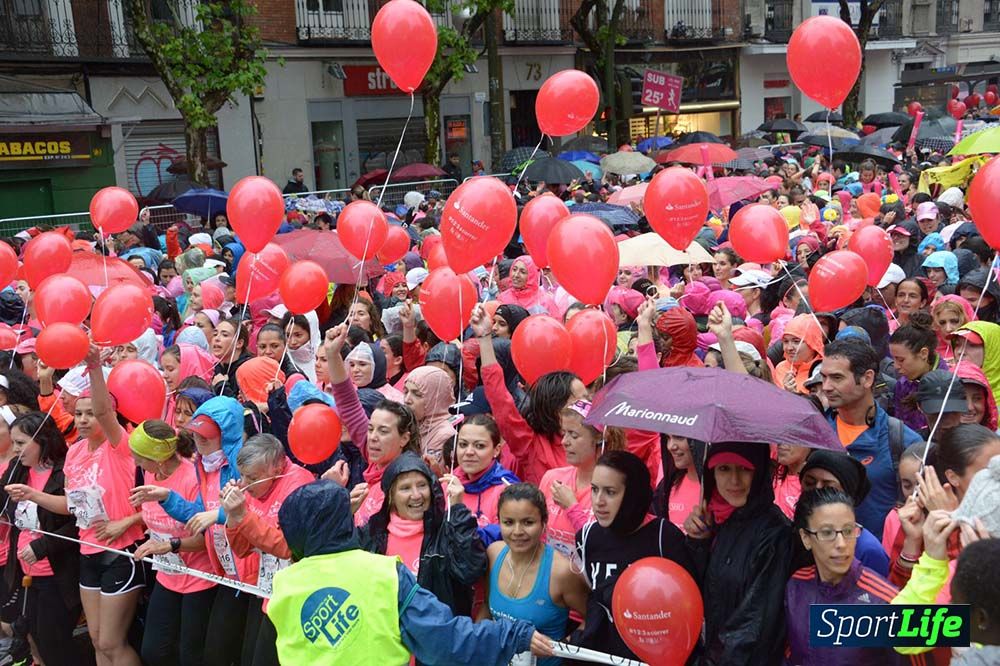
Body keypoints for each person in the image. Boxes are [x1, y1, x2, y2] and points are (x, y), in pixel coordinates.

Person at [267, 480, 553, 664]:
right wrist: (512, 634)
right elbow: (445, 640)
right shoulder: (383, 572)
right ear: (343, 520)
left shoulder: (284, 583)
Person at [65, 348, 146, 666]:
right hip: (87, 551)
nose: (84, 419)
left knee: (113, 642)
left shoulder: (121, 445)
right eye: (78, 413)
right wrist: (33, 495)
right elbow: (72, 503)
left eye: (90, 413)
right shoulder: (74, 452)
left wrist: (94, 366)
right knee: (98, 641)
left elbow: (103, 411)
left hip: (121, 553)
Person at [574, 451, 695, 661]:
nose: (599, 501)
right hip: (604, 657)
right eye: (594, 490)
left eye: (610, 492)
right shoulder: (587, 537)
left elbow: (688, 607)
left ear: (633, 494)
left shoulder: (664, 537)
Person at [684, 442, 793, 665]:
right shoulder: (718, 520)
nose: (734, 481)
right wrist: (698, 544)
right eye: (724, 469)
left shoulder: (775, 534)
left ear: (760, 471)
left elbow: (754, 624)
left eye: (745, 469)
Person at [126, 420, 216, 666]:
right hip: (167, 575)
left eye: (140, 458)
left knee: (190, 655)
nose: (136, 463)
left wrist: (170, 545)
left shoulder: (192, 478)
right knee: (153, 651)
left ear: (159, 459)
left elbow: (206, 538)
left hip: (199, 578)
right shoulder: (150, 472)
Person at [221, 434, 315, 666]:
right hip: (263, 589)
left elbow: (288, 547)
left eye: (251, 477)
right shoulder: (253, 489)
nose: (243, 483)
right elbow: (242, 550)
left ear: (277, 468)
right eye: (241, 475)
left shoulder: (299, 484)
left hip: (294, 597)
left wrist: (243, 516)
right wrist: (233, 517)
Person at [785, 488, 907, 666]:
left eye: (848, 531)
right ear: (806, 538)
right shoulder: (796, 586)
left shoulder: (884, 600)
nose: (841, 544)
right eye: (827, 533)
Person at [359, 452, 485, 618]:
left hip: (438, 637)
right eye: (405, 488)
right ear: (391, 496)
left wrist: (458, 510)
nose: (416, 495)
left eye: (422, 485)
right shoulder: (373, 533)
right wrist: (344, 515)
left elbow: (471, 570)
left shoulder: (447, 530)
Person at [0, 412, 82, 665]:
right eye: (13, 442)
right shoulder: (17, 469)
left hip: (56, 575)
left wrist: (42, 545)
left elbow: (77, 523)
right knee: (31, 635)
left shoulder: (63, 471)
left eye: (21, 443)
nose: (15, 449)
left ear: (43, 440)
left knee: (54, 641)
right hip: (24, 571)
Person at [820, 340, 923, 539]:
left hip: (883, 562)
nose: (826, 387)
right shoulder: (816, 434)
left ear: (867, 379)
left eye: (837, 378)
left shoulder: (903, 440)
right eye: (823, 377)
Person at [479, 483, 590, 666]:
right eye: (508, 522)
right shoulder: (493, 554)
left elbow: (593, 619)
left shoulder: (561, 572)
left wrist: (560, 649)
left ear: (544, 523)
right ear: (498, 522)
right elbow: (486, 607)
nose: (517, 532)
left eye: (528, 522)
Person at [539, 401, 623, 562]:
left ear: (599, 438)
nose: (564, 441)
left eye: (574, 435)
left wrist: (572, 507)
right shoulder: (552, 478)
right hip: (552, 582)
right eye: (564, 433)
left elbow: (604, 547)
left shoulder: (616, 489)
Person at [798, 449, 890, 576]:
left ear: (848, 494)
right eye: (809, 483)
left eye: (828, 488)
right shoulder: (790, 534)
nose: (816, 491)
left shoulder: (867, 550)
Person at [450, 414, 519, 529]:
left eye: (479, 446)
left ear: (496, 450)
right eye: (463, 444)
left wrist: (457, 510)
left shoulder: (507, 491)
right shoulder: (447, 485)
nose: (469, 452)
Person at [888, 312, 946, 432]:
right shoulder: (902, 385)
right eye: (893, 359)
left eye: (901, 360)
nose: (895, 366)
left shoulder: (949, 383)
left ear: (923, 354)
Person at [403, 366, 456, 464]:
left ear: (436, 398)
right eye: (406, 392)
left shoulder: (444, 435)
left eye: (417, 394)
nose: (407, 400)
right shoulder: (408, 424)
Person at [774, 313, 824, 394]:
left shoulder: (823, 371)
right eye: (786, 341)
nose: (789, 348)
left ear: (812, 342)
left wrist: (794, 395)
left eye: (796, 342)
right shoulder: (780, 368)